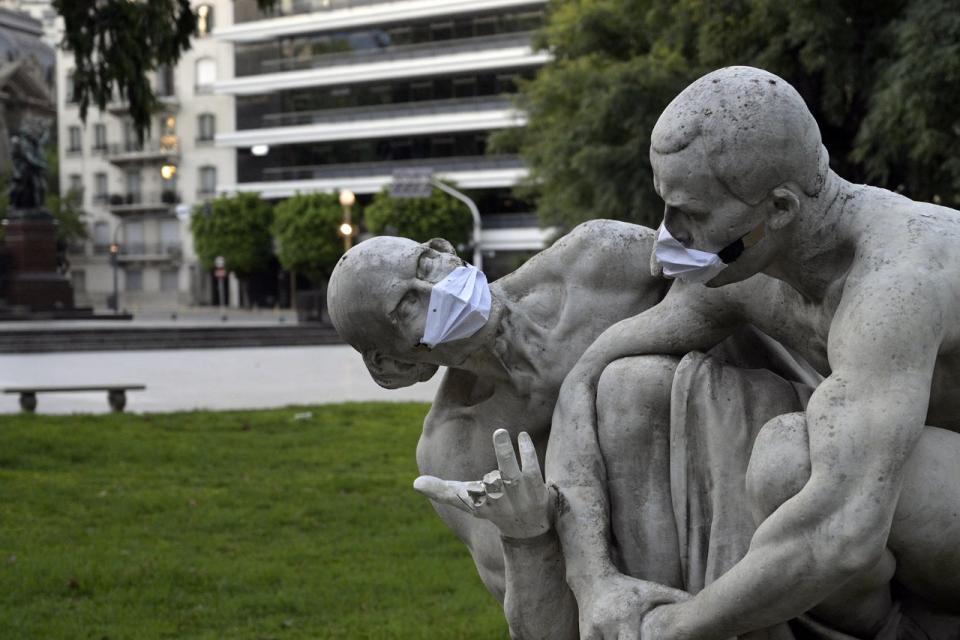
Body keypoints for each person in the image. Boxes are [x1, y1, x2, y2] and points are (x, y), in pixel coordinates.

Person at [542, 66, 960, 639]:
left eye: (692, 213)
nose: (669, 233)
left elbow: (840, 531)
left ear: (780, 208)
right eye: (666, 205)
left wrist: (674, 628)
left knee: (791, 461)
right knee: (630, 380)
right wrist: (595, 584)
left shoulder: (898, 281)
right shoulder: (750, 267)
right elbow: (585, 376)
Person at [327, 221, 674, 639]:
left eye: (427, 263)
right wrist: (526, 536)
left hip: (724, 462)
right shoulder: (457, 449)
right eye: (408, 306)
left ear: (444, 248)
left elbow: (732, 287)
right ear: (395, 364)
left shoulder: (599, 258)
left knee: (632, 384)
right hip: (626, 604)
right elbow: (543, 629)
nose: (438, 289)